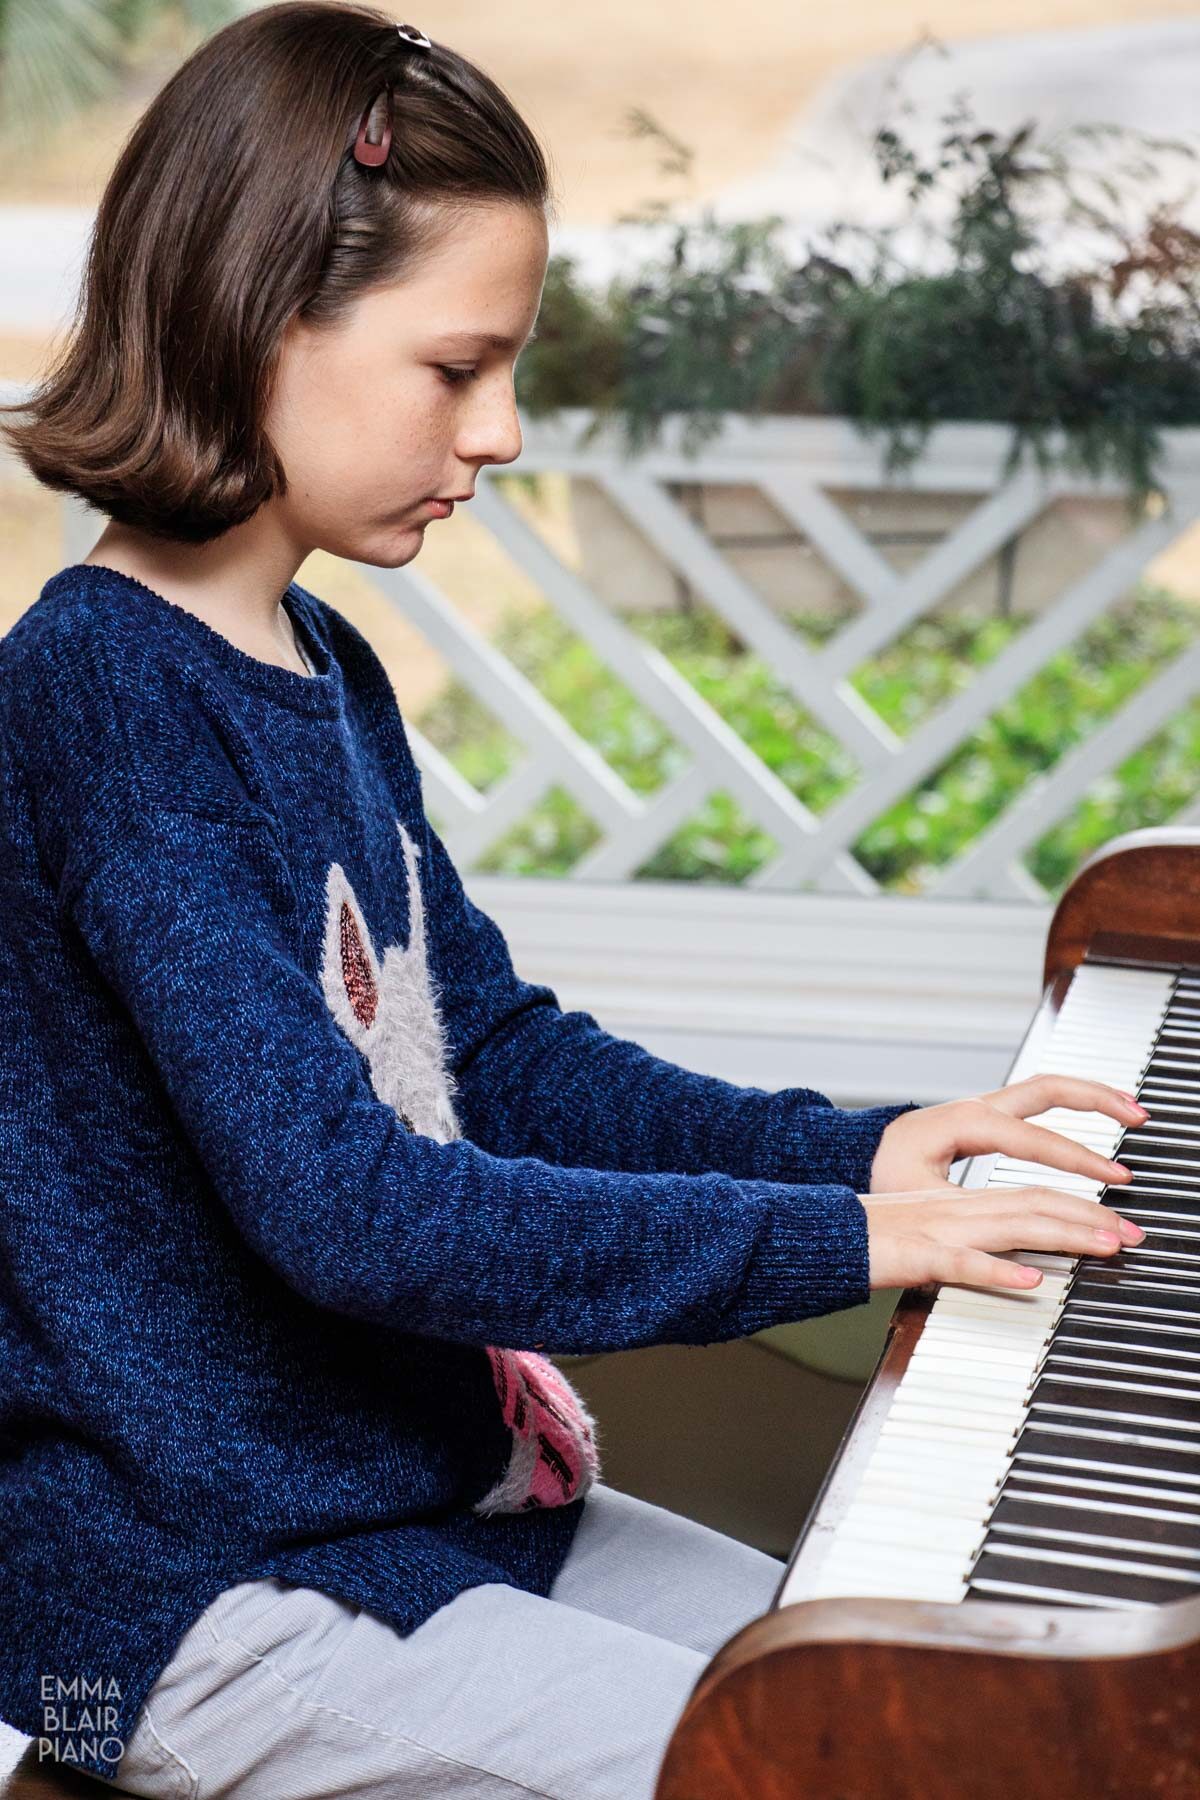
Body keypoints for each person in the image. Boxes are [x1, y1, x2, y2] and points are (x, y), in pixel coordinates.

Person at [0, 6, 1149, 1795]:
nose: (508, 429)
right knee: (855, 1768)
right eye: (456, 369)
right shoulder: (101, 700)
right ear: (255, 318)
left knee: (924, 1711)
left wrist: (862, 1153)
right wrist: (843, 1247)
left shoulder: (313, 657)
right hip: (183, 1600)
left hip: (413, 1504)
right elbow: (355, 1215)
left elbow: (504, 1058)